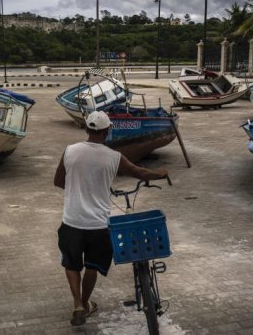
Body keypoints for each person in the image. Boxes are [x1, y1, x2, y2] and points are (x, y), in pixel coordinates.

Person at [53, 111, 168, 326]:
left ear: (87, 129)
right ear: (107, 132)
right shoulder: (114, 156)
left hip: (72, 221)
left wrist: (78, 188)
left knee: (71, 263)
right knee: (92, 266)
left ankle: (78, 304)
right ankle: (86, 303)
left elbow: (58, 181)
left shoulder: (70, 151)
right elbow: (140, 173)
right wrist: (160, 173)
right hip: (98, 224)